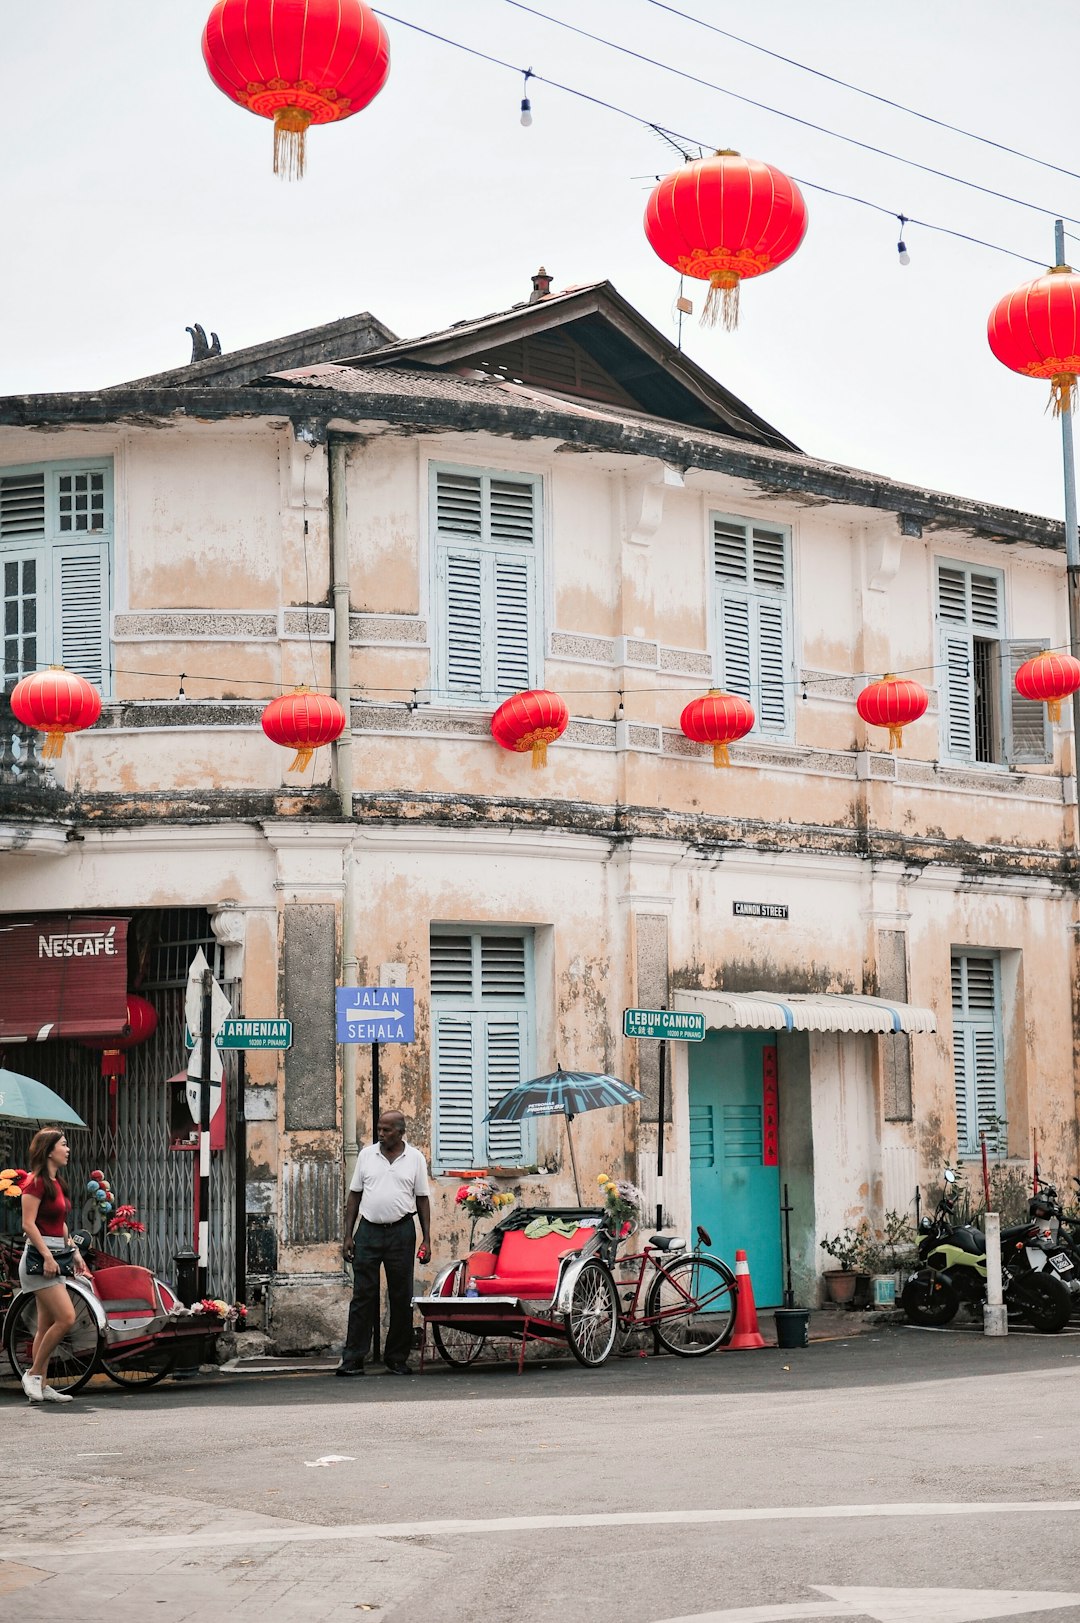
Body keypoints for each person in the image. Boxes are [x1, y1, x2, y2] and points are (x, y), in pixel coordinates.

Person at [338, 1110, 431, 1377]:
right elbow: (354, 1196)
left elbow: (422, 1199)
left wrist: (427, 1238)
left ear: (401, 1132)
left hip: (402, 1232)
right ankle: (354, 1358)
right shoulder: (367, 1155)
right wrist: (348, 1235)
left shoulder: (414, 1159)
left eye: (387, 1130)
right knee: (363, 1296)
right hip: (368, 1232)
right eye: (379, 1129)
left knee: (401, 1297)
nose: (381, 1134)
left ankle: (396, 1358)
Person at [19, 1127, 92, 1404]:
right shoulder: (34, 1182)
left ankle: (43, 1383)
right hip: (40, 1262)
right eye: (63, 1144)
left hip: (56, 1257)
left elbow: (59, 1221)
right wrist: (48, 1256)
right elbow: (28, 1224)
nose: (68, 1149)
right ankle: (34, 1374)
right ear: (49, 1150)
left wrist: (72, 1250)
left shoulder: (56, 1183)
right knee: (66, 1318)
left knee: (46, 1324)